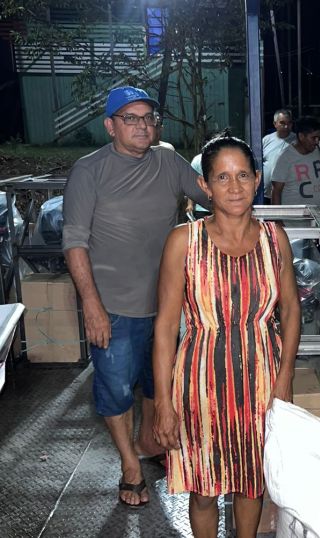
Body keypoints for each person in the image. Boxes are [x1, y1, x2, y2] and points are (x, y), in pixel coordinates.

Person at [62, 85, 209, 508]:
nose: (142, 126)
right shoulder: (89, 171)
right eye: (131, 118)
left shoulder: (168, 161)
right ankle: (130, 466)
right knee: (116, 391)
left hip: (165, 306)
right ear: (110, 126)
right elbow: (74, 242)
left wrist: (235, 176)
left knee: (156, 381)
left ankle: (148, 442)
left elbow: (211, 194)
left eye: (148, 118)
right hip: (113, 307)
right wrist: (91, 305)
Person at [152, 132, 300, 538]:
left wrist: (285, 376)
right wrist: (163, 402)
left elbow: (291, 311)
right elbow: (165, 327)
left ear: (257, 179)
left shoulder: (275, 239)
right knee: (203, 488)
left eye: (243, 176)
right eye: (222, 177)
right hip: (200, 386)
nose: (234, 187)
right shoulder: (183, 242)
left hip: (262, 381)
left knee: (252, 482)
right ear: (205, 185)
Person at [271, 115, 320, 208]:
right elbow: (276, 191)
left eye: (318, 138)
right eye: (313, 138)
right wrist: (277, 216)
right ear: (301, 136)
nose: (317, 141)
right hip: (292, 216)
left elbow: (316, 175)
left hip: (315, 214)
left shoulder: (316, 151)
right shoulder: (284, 157)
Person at [262, 109, 296, 203]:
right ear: (275, 124)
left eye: (289, 123)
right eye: (282, 123)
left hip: (287, 194)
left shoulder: (297, 141)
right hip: (265, 194)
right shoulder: (266, 140)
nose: (286, 126)